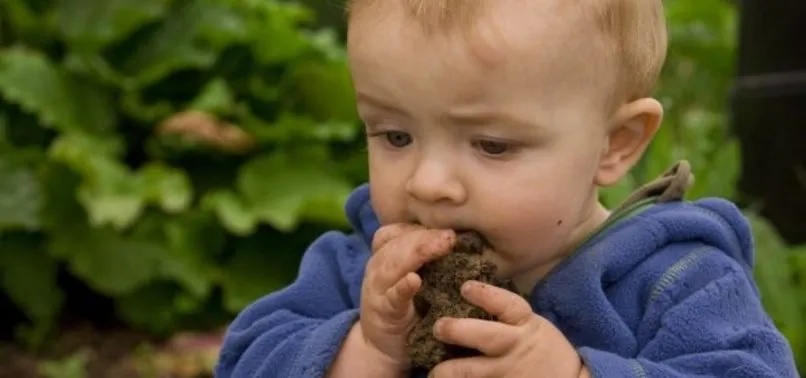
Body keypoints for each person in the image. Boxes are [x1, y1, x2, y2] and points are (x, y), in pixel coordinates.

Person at [215, 0, 799, 377]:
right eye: (395, 135)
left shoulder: (676, 282)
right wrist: (365, 352)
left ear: (614, 144)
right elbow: (244, 361)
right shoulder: (361, 271)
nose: (429, 183)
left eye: (493, 145)